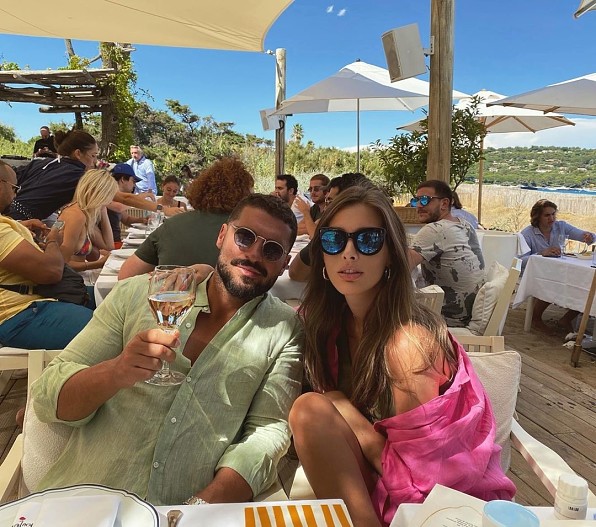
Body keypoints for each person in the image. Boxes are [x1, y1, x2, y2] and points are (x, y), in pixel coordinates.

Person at [31, 194, 303, 506]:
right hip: (86, 501)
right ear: (222, 235)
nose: (253, 254)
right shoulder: (137, 295)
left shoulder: (284, 330)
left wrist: (196, 512)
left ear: (284, 264)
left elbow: (266, 433)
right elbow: (48, 398)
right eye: (244, 237)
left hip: (187, 512)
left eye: (271, 250)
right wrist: (116, 371)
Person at [289, 185, 515, 527]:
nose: (349, 253)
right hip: (376, 486)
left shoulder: (407, 344)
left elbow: (422, 480)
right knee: (310, 410)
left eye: (368, 241)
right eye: (334, 240)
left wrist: (342, 406)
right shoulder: (326, 323)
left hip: (439, 507)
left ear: (391, 256)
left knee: (312, 408)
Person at [0, 160, 92, 349]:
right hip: (18, 315)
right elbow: (51, 272)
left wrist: (20, 227)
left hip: (35, 302)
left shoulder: (5, 224)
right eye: (14, 187)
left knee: (115, 302)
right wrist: (52, 241)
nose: (16, 194)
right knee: (110, 329)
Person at [119, 157, 254, 279]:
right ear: (245, 196)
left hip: (171, 297)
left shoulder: (172, 225)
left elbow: (125, 275)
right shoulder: (251, 238)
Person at [8, 130, 183, 221]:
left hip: (6, 217)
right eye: (93, 156)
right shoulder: (79, 176)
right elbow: (124, 198)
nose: (95, 161)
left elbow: (10, 179)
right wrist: (164, 210)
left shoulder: (40, 163)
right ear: (78, 154)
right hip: (20, 224)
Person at [408, 180, 485, 327]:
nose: (418, 205)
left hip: (448, 320)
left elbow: (400, 265)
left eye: (424, 200)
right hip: (470, 313)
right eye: (415, 200)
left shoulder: (435, 230)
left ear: (444, 203)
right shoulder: (465, 225)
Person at [519, 198, 596, 333]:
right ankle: (535, 318)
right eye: (547, 215)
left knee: (585, 283)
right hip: (534, 272)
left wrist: (589, 237)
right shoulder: (527, 234)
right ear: (537, 216)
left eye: (553, 214)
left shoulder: (561, 226)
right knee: (555, 281)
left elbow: (586, 235)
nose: (552, 218)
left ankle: (566, 319)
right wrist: (540, 253)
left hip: (556, 269)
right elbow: (519, 260)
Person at [288, 174, 371, 282]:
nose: (326, 209)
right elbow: (297, 229)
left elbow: (296, 272)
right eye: (310, 189)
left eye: (330, 202)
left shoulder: (329, 240)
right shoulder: (316, 211)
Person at [57, 169, 117, 308]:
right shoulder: (76, 216)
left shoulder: (82, 213)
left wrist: (103, 210)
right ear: (99, 194)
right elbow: (62, 264)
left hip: (80, 277)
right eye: (108, 196)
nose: (109, 201)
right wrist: (96, 264)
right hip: (73, 284)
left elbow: (109, 246)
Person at [106, 163, 146, 247]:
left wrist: (142, 220)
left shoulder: (115, 197)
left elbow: (127, 219)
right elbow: (119, 207)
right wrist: (141, 197)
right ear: (123, 179)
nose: (134, 185)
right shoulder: (107, 194)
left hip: (116, 242)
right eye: (133, 181)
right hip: (108, 246)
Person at [293, 174, 330, 238]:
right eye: (310, 189)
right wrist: (311, 227)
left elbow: (314, 233)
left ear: (327, 191)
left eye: (316, 189)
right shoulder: (315, 208)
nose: (312, 192)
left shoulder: (330, 209)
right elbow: (296, 229)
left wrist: (305, 211)